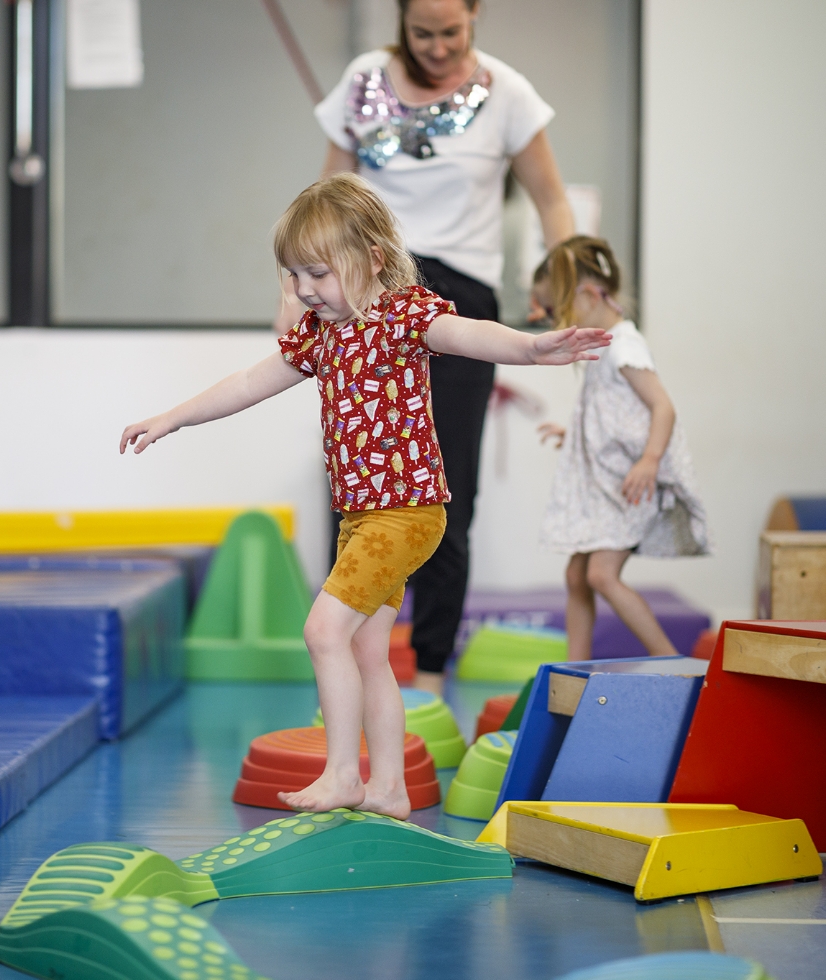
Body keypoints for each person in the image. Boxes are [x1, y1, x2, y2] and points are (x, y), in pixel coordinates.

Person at [124, 174, 608, 816]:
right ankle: (388, 787)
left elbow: (470, 336)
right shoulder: (321, 337)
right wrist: (174, 417)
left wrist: (530, 347)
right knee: (365, 649)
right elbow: (247, 382)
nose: (303, 291)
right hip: (364, 518)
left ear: (372, 259)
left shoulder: (403, 313)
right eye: (293, 276)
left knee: (323, 630)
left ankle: (343, 776)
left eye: (317, 274)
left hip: (406, 512)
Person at [279, 0, 578, 696]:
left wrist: (564, 275)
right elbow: (324, 198)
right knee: (357, 476)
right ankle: (348, 665)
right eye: (423, 34)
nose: (438, 48)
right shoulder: (363, 79)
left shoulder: (508, 93)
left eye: (453, 33)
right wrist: (294, 294)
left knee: (448, 485)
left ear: (477, 16)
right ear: (401, 23)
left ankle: (433, 670)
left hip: (460, 296)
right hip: (366, 286)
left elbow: (552, 201)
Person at [533, 236, 710, 661]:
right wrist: (572, 433)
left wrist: (650, 461)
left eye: (556, 308)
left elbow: (662, 407)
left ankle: (674, 663)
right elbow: (611, 412)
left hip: (630, 483)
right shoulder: (605, 344)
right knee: (577, 574)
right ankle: (572, 670)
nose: (549, 319)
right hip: (608, 486)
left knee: (600, 575)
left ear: (591, 295)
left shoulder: (624, 346)